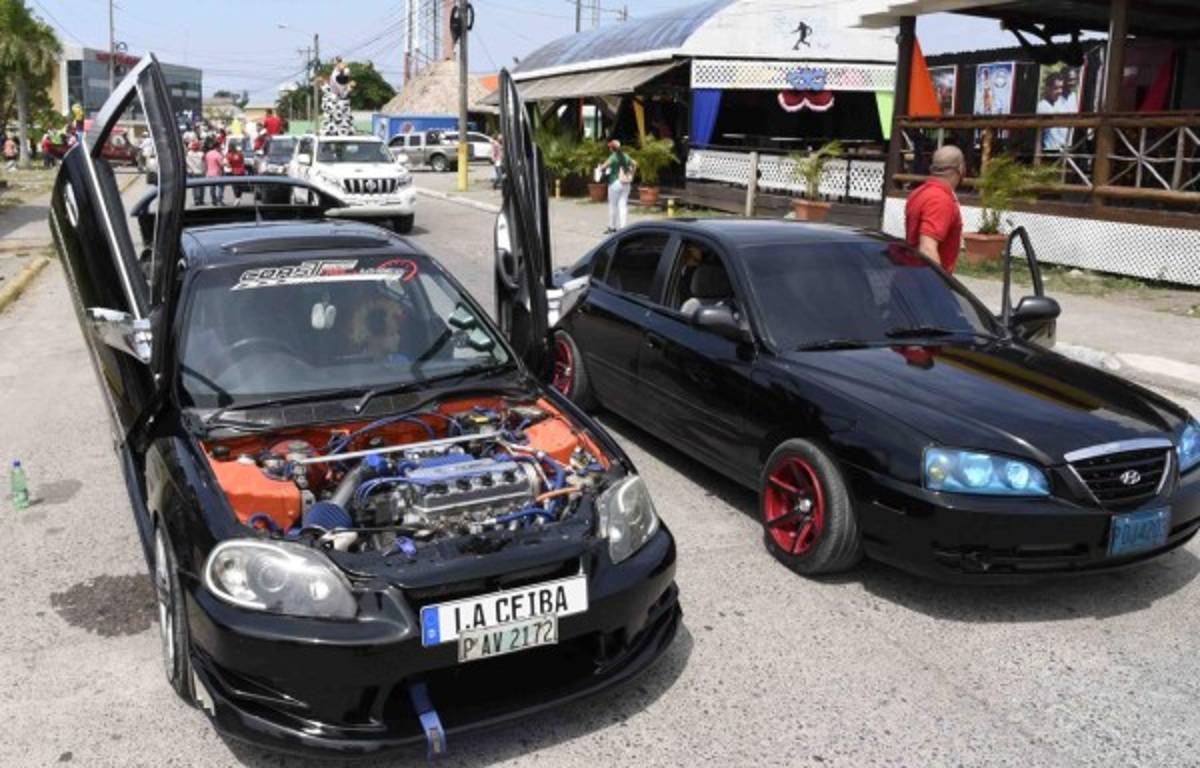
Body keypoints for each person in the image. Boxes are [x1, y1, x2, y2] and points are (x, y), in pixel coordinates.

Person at [904, 144, 964, 273]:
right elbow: (927, 249)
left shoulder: (919, 192)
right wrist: (939, 287)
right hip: (924, 285)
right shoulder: (940, 199)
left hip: (909, 276)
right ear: (960, 168)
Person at [597, 139, 636, 234]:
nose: (609, 148)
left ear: (611, 148)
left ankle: (612, 227)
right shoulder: (626, 156)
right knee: (623, 205)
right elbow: (634, 163)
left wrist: (600, 167)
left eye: (610, 147)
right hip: (626, 183)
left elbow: (603, 167)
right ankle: (623, 228)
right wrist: (632, 174)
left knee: (613, 206)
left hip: (615, 183)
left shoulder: (613, 157)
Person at [1036, 74, 1068, 152]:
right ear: (1048, 88)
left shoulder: (1063, 103)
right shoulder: (1042, 107)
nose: (1060, 91)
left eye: (1061, 88)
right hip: (1050, 150)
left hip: (1065, 149)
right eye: (1056, 88)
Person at [203, 138, 225, 206]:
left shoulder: (208, 154)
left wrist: (205, 172)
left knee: (212, 188)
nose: (220, 148)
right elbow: (221, 164)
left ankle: (213, 200)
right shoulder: (218, 155)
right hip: (217, 173)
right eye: (220, 147)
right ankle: (220, 200)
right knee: (221, 187)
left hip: (209, 173)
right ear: (217, 147)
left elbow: (206, 164)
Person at [186, 140, 205, 205]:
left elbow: (187, 163)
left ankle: (196, 200)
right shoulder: (201, 154)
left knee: (195, 187)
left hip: (193, 172)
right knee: (202, 186)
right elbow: (204, 162)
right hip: (201, 172)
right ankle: (201, 200)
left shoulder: (189, 154)